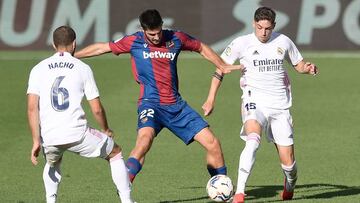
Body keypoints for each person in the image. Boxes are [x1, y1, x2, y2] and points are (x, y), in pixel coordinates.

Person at [75, 9, 242, 184]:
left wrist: (220, 65)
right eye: (151, 34)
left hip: (176, 106)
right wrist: (73, 56)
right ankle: (124, 189)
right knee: (143, 142)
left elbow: (200, 47)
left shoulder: (176, 38)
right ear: (143, 30)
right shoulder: (133, 41)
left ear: (162, 26)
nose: (155, 37)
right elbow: (103, 47)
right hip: (150, 104)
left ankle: (221, 186)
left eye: (158, 32)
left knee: (213, 144)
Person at [202, 7, 318, 203]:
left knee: (289, 163)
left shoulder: (283, 41)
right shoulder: (241, 43)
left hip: (280, 106)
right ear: (254, 24)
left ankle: (290, 183)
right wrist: (211, 98)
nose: (263, 32)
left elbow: (299, 65)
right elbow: (221, 68)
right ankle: (239, 192)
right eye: (259, 27)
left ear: (273, 26)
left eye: (267, 28)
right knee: (252, 140)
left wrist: (308, 68)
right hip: (253, 101)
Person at [27, 26, 134, 203]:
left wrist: (36, 140)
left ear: (54, 45)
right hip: (78, 134)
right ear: (75, 44)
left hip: (50, 135)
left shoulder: (38, 69)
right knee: (115, 153)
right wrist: (105, 129)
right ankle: (127, 201)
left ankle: (50, 200)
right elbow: (97, 108)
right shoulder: (82, 67)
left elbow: (32, 108)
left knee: (53, 162)